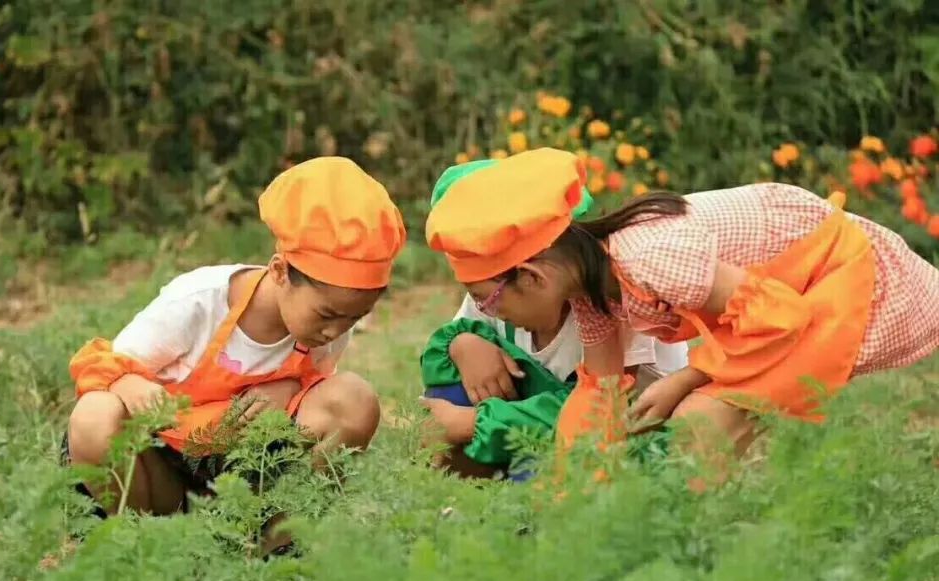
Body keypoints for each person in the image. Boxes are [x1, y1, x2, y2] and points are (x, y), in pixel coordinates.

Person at [424, 147, 939, 456]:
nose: (490, 315)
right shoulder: (591, 293)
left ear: (533, 277)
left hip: (822, 278)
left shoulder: (648, 259)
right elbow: (599, 393)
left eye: (486, 300)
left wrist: (683, 381)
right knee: (697, 428)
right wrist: (574, 478)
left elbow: (778, 317)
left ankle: (695, 562)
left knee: (698, 425)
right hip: (771, 310)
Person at [63, 156, 406, 515]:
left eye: (356, 316)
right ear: (280, 271)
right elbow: (98, 366)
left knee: (354, 399)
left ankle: (276, 538)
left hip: (243, 474)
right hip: (160, 467)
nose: (337, 330)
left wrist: (291, 389)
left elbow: (318, 387)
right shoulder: (198, 301)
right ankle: (138, 541)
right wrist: (126, 384)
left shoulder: (330, 327)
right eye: (328, 315)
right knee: (95, 415)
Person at [419, 160, 688, 477]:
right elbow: (443, 353)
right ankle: (482, 491)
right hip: (543, 423)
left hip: (630, 437)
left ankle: (534, 497)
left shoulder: (614, 299)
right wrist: (463, 345)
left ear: (531, 277)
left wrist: (469, 423)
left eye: (483, 296)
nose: (483, 308)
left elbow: (603, 413)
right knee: (453, 378)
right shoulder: (501, 292)